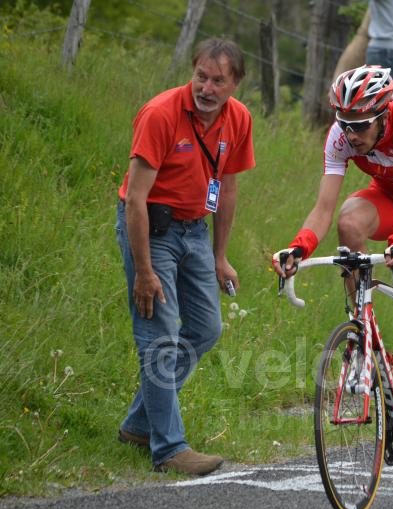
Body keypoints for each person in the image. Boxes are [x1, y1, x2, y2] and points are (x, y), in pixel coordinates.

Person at [272, 65, 393, 479]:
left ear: (384, 114)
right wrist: (299, 246)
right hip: (387, 197)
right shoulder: (340, 136)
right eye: (344, 123)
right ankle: (361, 340)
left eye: (359, 125)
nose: (351, 134)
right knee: (349, 222)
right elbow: (323, 208)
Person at [115, 38, 255, 475]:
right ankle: (169, 448)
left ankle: (139, 423)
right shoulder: (160, 114)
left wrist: (220, 255)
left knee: (206, 328)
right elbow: (135, 200)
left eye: (218, 80)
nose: (206, 88)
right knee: (159, 336)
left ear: (235, 84)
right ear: (191, 72)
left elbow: (227, 187)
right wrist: (143, 271)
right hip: (150, 229)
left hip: (195, 230)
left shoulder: (239, 119)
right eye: (201, 76)